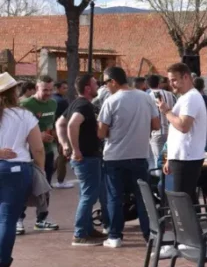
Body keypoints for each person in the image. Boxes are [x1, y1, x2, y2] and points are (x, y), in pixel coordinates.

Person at [98, 66, 161, 248]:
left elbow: (101, 132)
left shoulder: (111, 101)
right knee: (142, 196)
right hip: (140, 154)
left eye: (105, 82)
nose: (105, 86)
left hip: (114, 156)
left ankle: (115, 235)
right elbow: (156, 125)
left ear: (113, 81)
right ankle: (148, 233)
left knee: (114, 197)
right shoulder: (146, 97)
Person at [0, 73, 45, 267]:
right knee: (8, 219)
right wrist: (41, 170)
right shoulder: (24, 116)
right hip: (16, 170)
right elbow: (38, 148)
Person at [55, 74, 106, 246]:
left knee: (87, 195)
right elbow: (71, 124)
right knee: (88, 195)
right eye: (94, 83)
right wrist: (75, 149)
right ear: (87, 88)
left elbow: (60, 123)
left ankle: (88, 228)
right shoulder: (84, 105)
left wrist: (64, 144)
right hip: (87, 157)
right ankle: (79, 234)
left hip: (85, 157)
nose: (97, 85)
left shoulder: (76, 103)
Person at [158, 63, 207, 203]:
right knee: (187, 200)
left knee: (182, 202)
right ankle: (190, 225)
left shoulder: (191, 97)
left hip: (187, 158)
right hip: (182, 157)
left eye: (174, 79)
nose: (171, 83)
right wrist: (170, 158)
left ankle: (184, 225)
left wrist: (166, 111)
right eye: (169, 80)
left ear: (185, 77)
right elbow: (177, 130)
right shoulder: (185, 97)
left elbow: (183, 126)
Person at [19, 75, 59, 232]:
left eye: (51, 89)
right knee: (23, 186)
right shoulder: (25, 104)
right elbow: (17, 129)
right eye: (45, 90)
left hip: (47, 151)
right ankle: (18, 219)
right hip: (27, 152)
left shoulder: (53, 103)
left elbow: (52, 123)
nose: (48, 93)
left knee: (44, 185)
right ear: (36, 88)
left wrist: (57, 140)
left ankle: (42, 218)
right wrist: (38, 136)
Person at [146, 74, 176, 172]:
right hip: (170, 130)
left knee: (158, 160)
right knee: (168, 158)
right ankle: (167, 181)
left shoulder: (147, 96)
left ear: (147, 84)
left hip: (156, 133)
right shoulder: (170, 94)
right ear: (159, 83)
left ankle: (160, 183)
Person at [51, 80, 71, 188]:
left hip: (52, 130)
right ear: (58, 88)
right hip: (60, 131)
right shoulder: (62, 101)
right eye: (64, 88)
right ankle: (60, 180)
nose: (66, 90)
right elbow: (67, 117)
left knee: (60, 155)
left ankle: (49, 174)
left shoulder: (51, 100)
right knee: (63, 155)